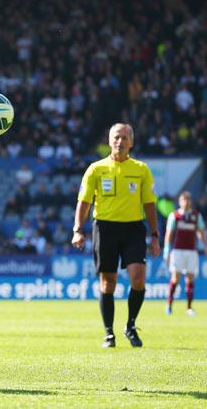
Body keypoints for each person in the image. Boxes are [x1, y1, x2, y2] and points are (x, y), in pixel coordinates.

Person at [72, 123, 160, 348]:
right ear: (109, 141)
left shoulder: (141, 169)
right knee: (108, 283)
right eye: (116, 137)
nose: (120, 141)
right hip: (104, 228)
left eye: (124, 137)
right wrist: (78, 230)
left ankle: (130, 325)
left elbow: (149, 204)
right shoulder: (96, 169)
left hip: (133, 229)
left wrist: (155, 235)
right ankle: (109, 332)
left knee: (138, 279)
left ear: (131, 142)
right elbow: (84, 202)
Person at [164, 191, 206, 316]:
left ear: (190, 201)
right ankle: (169, 305)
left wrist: (204, 244)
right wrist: (167, 249)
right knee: (175, 277)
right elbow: (169, 234)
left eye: (188, 200)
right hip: (178, 251)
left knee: (190, 278)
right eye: (183, 200)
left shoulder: (196, 216)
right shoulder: (174, 216)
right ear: (180, 202)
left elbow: (200, 232)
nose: (186, 202)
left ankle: (189, 308)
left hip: (191, 251)